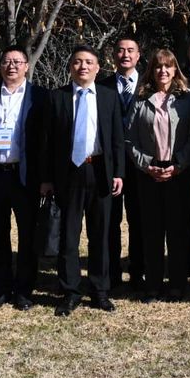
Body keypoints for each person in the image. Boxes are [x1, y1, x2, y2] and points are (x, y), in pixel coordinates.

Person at [39, 45, 125, 316]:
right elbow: (47, 143)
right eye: (77, 62)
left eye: (89, 62)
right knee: (69, 236)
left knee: (101, 235)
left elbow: (116, 140)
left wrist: (119, 172)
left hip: (100, 171)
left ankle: (100, 290)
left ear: (99, 68)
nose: (83, 66)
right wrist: (46, 179)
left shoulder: (109, 97)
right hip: (69, 173)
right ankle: (70, 291)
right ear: (70, 67)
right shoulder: (57, 98)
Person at [0, 47, 48, 311]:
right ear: (0, 66)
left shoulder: (40, 97)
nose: (11, 66)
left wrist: (46, 178)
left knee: (28, 236)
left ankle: (24, 290)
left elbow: (47, 142)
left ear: (27, 66)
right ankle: (1, 288)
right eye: (6, 61)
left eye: (17, 62)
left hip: (26, 177)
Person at [127, 48, 190, 302]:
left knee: (178, 232)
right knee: (152, 232)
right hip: (149, 173)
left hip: (178, 172)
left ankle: (178, 283)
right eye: (158, 67)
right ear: (151, 71)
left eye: (168, 66)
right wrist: (147, 165)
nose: (163, 71)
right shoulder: (140, 99)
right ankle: (153, 284)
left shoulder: (188, 99)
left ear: (175, 69)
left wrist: (178, 164)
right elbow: (130, 139)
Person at [98, 36, 144, 292]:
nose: (125, 55)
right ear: (113, 56)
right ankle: (111, 274)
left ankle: (138, 273)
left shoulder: (148, 86)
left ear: (138, 56)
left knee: (139, 221)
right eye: (120, 51)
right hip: (109, 165)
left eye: (130, 50)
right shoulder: (101, 87)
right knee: (109, 222)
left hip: (140, 165)